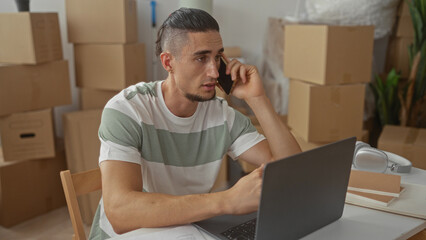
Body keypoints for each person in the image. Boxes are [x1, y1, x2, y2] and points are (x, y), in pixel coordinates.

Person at [88, 7, 301, 239]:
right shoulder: (127, 109)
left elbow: (290, 170)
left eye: (217, 57)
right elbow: (121, 213)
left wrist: (258, 99)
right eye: (201, 58)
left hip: (188, 228)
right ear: (168, 62)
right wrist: (227, 201)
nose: (213, 71)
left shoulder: (222, 115)